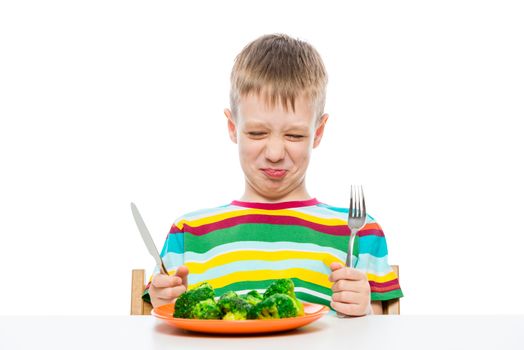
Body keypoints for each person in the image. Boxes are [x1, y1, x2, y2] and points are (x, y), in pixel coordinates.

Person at [143, 34, 402, 316]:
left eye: (294, 135)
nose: (275, 152)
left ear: (317, 132)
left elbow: (382, 335)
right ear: (232, 128)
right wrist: (162, 300)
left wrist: (365, 310)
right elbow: (159, 328)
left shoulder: (360, 232)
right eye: (257, 133)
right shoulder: (189, 233)